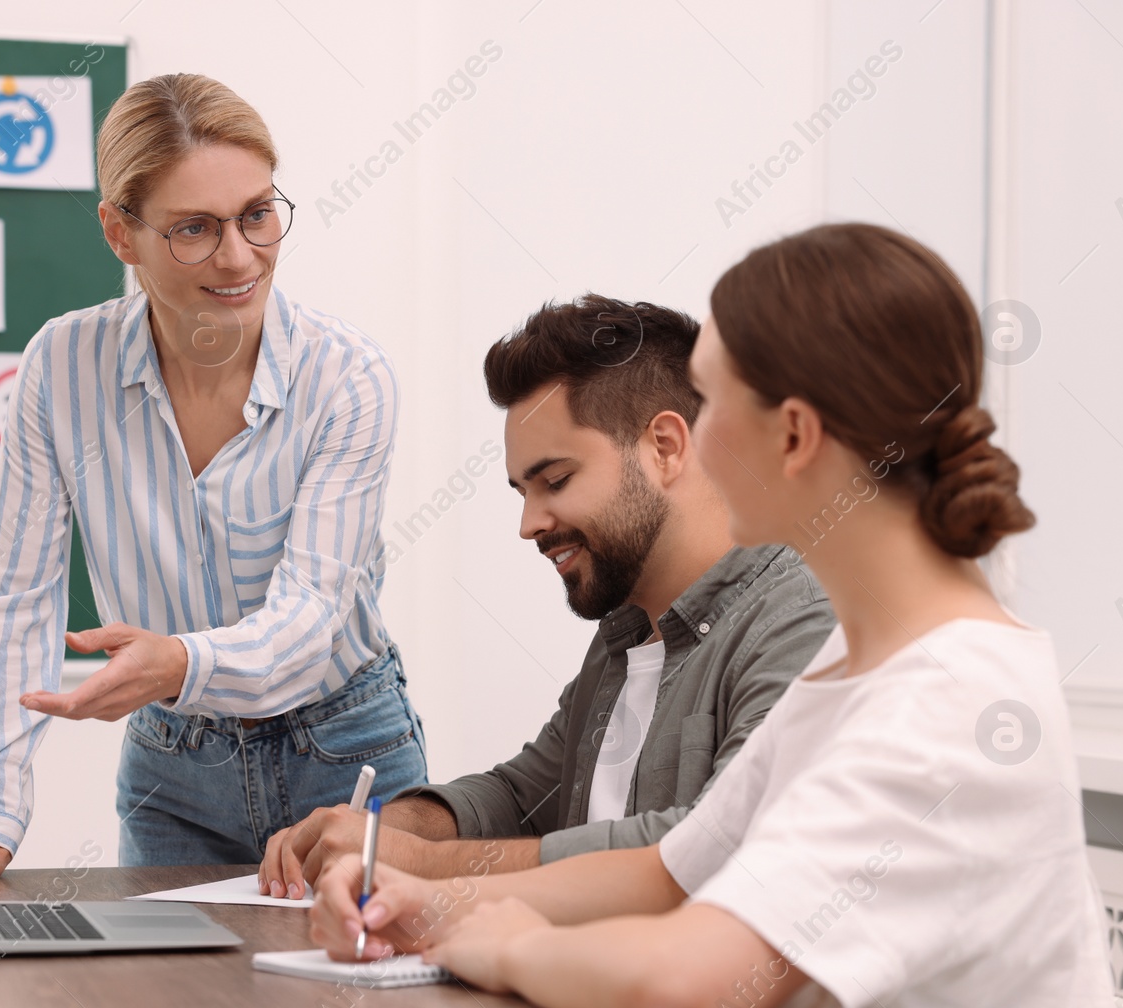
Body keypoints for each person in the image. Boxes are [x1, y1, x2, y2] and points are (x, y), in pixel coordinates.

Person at [306, 223, 1123, 1008]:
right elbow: (669, 871)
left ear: (795, 435)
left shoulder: (946, 700)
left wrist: (509, 942)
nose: (693, 438)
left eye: (714, 400)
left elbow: (683, 988)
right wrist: (423, 902)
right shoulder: (843, 677)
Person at [0, 73, 427, 885]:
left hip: (344, 753)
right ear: (119, 232)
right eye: (194, 229)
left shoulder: (347, 378)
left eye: (256, 214)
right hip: (174, 769)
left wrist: (178, 661)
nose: (239, 256)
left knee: (362, 1003)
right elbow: (15, 595)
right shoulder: (62, 368)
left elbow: (308, 618)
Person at [258, 295, 834, 899]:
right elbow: (521, 796)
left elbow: (719, 847)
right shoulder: (627, 636)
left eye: (556, 480)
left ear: (665, 447)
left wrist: (414, 863)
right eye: (522, 491)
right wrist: (390, 828)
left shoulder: (800, 624)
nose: (529, 523)